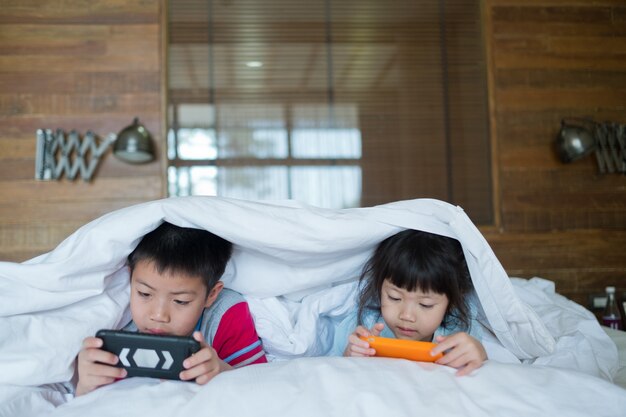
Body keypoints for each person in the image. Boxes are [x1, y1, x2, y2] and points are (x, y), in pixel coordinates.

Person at [75, 222, 267, 396]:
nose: (159, 315)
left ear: (211, 295)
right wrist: (85, 386)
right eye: (144, 293)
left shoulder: (226, 314)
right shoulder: (116, 326)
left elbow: (264, 385)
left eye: (181, 301)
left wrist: (222, 371)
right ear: (130, 278)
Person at [330, 229, 486, 376]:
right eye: (394, 297)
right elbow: (334, 369)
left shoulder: (458, 329)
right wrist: (351, 354)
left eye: (425, 304)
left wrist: (478, 352)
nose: (407, 316)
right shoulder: (365, 325)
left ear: (451, 303)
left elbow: (476, 361)